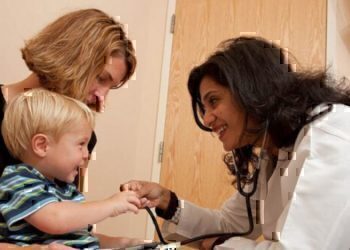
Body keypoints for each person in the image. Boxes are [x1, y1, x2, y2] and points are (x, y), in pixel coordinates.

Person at [121, 36, 350, 249]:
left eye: (214, 101)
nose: (207, 119)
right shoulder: (271, 154)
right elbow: (229, 224)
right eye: (204, 108)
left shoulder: (328, 136)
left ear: (252, 89)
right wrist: (167, 202)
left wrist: (218, 245)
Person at [0, 8, 136, 249]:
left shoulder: (81, 138)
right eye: (101, 78)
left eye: (110, 87)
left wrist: (121, 243)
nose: (101, 97)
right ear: (73, 59)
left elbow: (69, 232)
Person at [0, 88, 145, 249]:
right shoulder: (18, 179)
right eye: (81, 144)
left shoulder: (65, 188)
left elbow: (82, 237)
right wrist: (111, 205)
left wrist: (122, 243)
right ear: (42, 145)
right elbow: (55, 219)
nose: (86, 154)